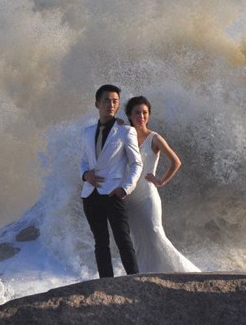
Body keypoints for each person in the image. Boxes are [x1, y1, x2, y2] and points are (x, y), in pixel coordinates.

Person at [122, 96, 200, 273]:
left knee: (155, 232)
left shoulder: (154, 138)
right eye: (137, 113)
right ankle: (146, 273)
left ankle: (181, 272)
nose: (141, 116)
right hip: (130, 196)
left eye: (145, 113)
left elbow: (176, 161)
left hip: (147, 194)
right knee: (139, 239)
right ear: (129, 114)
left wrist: (161, 181)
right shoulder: (124, 134)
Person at [79, 84, 143, 278]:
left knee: (123, 239)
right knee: (100, 242)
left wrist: (125, 188)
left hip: (114, 193)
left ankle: (135, 279)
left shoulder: (125, 131)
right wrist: (85, 175)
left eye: (115, 101)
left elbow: (136, 163)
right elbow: (83, 160)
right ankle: (105, 282)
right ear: (97, 104)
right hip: (90, 194)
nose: (111, 104)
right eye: (107, 100)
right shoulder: (88, 131)